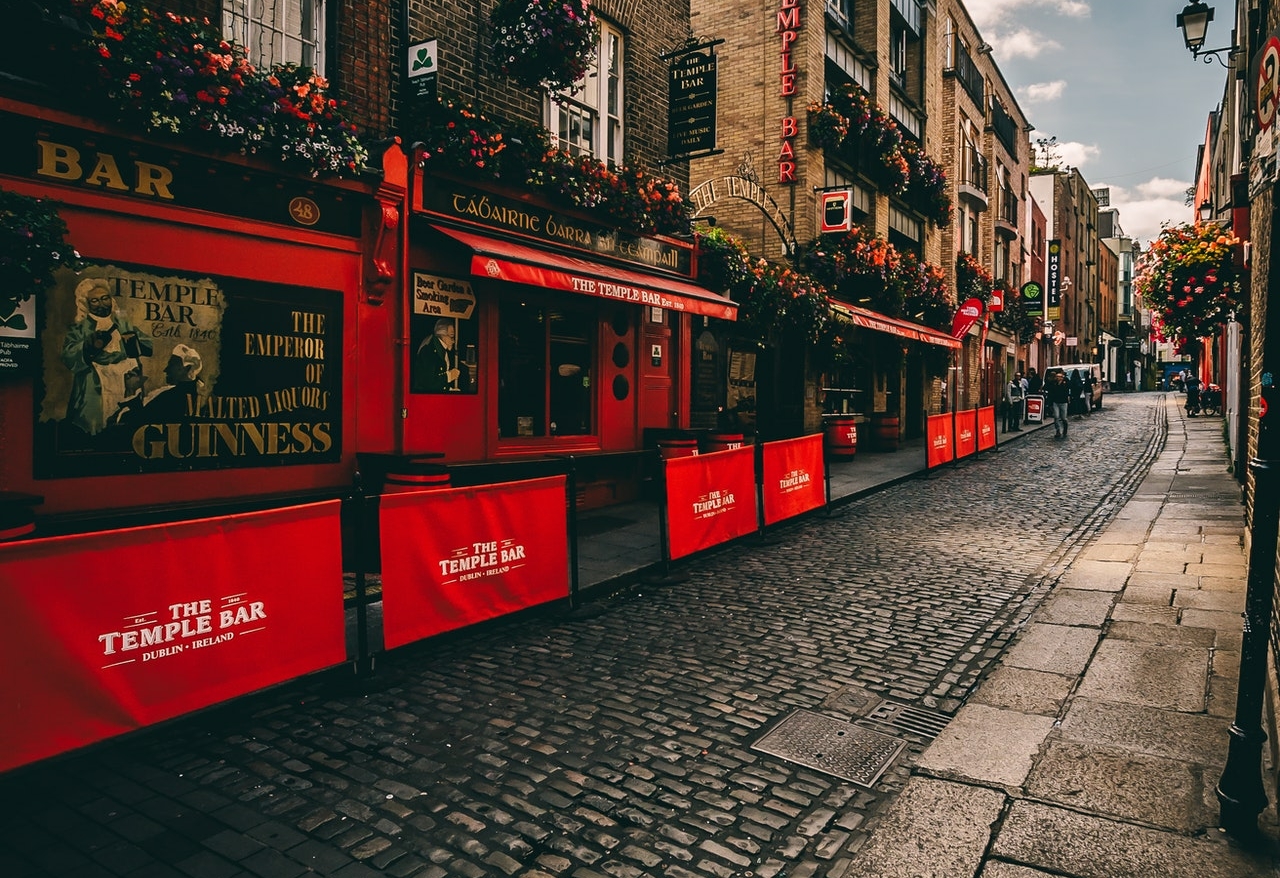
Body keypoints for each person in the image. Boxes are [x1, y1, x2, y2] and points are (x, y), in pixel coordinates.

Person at [60, 277, 154, 436]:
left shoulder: (122, 321)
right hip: (98, 384)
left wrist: (129, 336)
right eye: (95, 301)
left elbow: (146, 345)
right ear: (86, 304)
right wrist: (88, 346)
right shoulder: (81, 327)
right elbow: (69, 355)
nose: (102, 304)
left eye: (105, 298)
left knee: (126, 423)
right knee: (98, 427)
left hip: (126, 382)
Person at [412, 317, 467, 393]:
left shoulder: (440, 348)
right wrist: (449, 376)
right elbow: (428, 382)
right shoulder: (429, 350)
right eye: (451, 336)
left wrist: (449, 389)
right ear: (443, 335)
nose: (453, 341)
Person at [1046, 369, 1071, 439]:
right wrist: (1050, 402)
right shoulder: (1054, 384)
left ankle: (1065, 429)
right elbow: (1050, 391)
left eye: (1059, 377)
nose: (1057, 378)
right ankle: (1058, 430)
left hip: (1063, 402)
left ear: (1062, 378)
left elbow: (1068, 390)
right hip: (1055, 402)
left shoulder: (1065, 383)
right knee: (1056, 417)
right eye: (1057, 376)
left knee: (1064, 418)